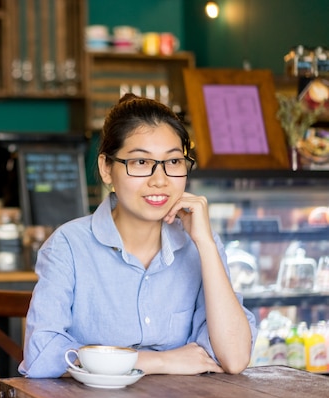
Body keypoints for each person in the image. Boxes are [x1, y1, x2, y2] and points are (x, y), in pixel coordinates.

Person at [19, 93, 257, 378]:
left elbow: (233, 358)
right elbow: (42, 354)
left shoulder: (199, 244)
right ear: (106, 168)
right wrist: (162, 361)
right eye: (141, 163)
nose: (160, 180)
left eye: (174, 162)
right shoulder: (68, 245)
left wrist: (205, 244)